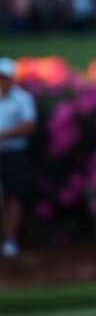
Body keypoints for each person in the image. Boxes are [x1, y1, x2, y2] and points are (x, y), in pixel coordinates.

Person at [0, 57, 37, 259]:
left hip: (13, 153)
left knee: (13, 195)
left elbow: (29, 125)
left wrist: (4, 135)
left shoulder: (23, 98)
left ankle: (10, 240)